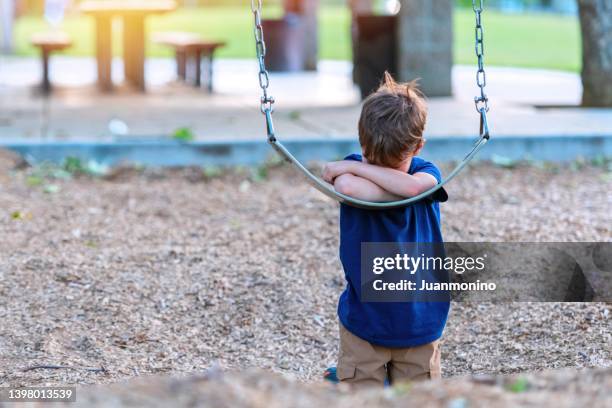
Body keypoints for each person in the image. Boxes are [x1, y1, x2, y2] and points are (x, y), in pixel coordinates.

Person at [322, 72, 449, 388]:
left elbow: (409, 188)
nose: (377, 169)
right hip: (365, 324)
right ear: (361, 142)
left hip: (420, 323)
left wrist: (359, 166)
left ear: (419, 147)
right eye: (370, 160)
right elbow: (352, 188)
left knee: (419, 398)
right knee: (362, 397)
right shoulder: (357, 178)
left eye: (389, 165)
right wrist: (374, 174)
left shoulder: (426, 175)